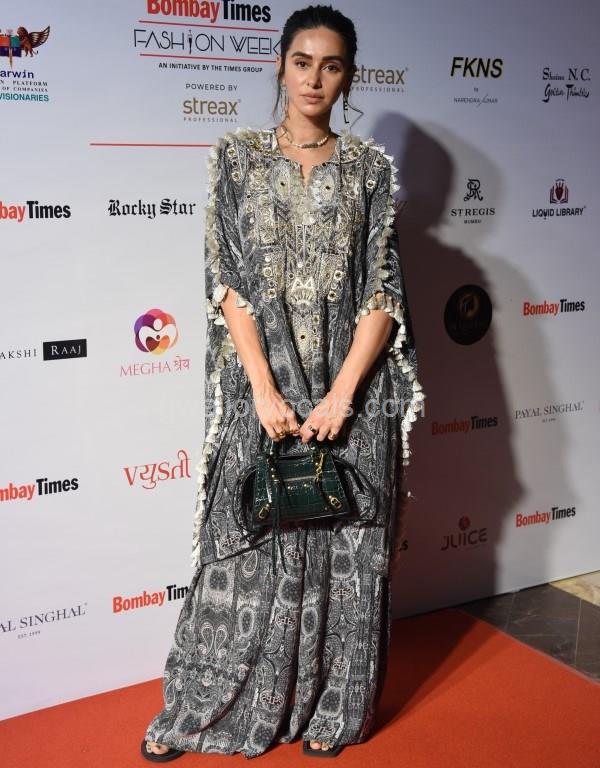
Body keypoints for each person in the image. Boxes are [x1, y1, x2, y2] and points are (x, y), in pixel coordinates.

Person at [141, 3, 425, 762]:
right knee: (244, 546)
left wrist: (343, 395)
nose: (315, 79)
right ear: (280, 65)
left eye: (332, 66)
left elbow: (384, 293)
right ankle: (208, 709)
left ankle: (332, 709)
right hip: (259, 390)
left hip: (349, 393)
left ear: (349, 77)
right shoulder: (236, 159)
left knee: (346, 549)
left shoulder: (368, 171)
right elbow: (228, 283)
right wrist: (265, 390)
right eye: (303, 62)